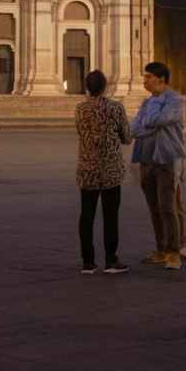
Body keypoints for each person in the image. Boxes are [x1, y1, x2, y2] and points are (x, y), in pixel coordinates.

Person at [130, 61, 186, 271]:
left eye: (148, 77)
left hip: (166, 158)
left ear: (160, 79)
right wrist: (145, 125)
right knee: (154, 208)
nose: (144, 80)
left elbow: (156, 121)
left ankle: (174, 252)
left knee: (167, 207)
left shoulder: (176, 101)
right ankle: (161, 249)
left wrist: (150, 115)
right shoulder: (147, 103)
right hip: (146, 158)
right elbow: (136, 129)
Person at [73, 70, 131, 274]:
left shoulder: (80, 109)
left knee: (86, 215)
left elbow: (80, 132)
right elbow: (126, 137)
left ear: (87, 87)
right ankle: (110, 260)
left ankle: (87, 262)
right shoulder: (116, 108)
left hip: (88, 168)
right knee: (110, 215)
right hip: (110, 170)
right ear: (105, 86)